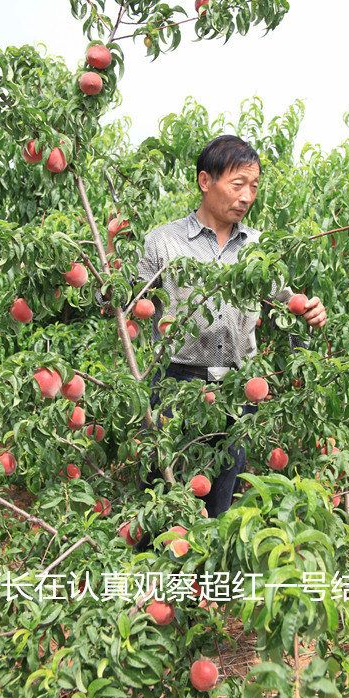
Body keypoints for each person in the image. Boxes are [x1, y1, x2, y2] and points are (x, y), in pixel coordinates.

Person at [104, 135, 327, 517]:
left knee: (218, 506)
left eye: (253, 187)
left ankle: (202, 579)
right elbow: (117, 303)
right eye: (238, 184)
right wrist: (110, 246)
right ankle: (154, 575)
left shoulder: (259, 248)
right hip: (174, 386)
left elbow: (285, 306)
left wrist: (308, 310)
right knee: (159, 500)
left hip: (238, 393)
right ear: (206, 182)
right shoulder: (164, 242)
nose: (246, 197)